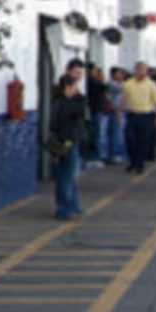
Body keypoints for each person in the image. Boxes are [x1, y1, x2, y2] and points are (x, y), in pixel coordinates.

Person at [50, 73, 87, 220]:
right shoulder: (65, 104)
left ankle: (72, 205)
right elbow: (79, 112)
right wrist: (67, 141)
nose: (76, 90)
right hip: (68, 141)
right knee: (67, 176)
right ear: (67, 87)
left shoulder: (58, 102)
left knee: (69, 175)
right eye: (74, 87)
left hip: (67, 141)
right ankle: (65, 208)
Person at [121, 62, 156, 175]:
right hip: (131, 114)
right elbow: (123, 98)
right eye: (139, 70)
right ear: (135, 71)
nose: (141, 72)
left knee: (143, 140)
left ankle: (140, 164)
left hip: (145, 115)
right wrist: (119, 112)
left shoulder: (151, 85)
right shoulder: (128, 84)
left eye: (143, 70)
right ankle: (133, 160)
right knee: (130, 139)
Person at [85, 64, 107, 168]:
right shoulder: (91, 83)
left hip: (97, 111)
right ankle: (94, 157)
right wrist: (100, 78)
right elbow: (103, 88)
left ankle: (96, 156)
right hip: (94, 111)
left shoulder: (93, 82)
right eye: (94, 70)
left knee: (97, 134)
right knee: (95, 135)